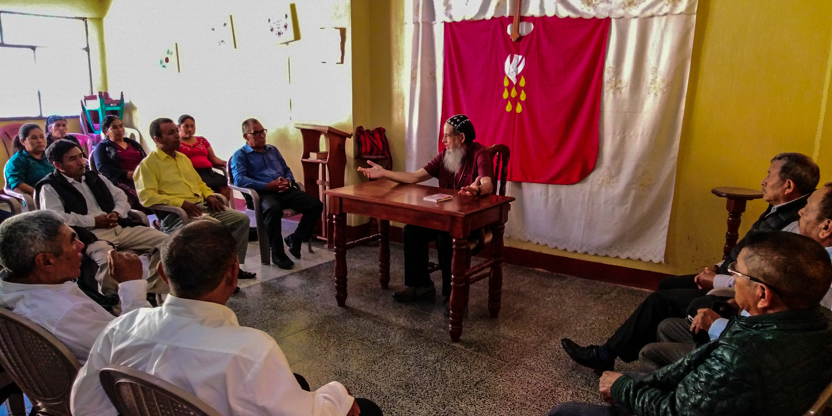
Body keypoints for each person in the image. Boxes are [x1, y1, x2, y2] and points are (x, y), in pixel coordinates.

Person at [70, 221, 383, 416]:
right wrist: (337, 394)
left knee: (296, 382)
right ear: (233, 275)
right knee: (364, 409)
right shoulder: (249, 350)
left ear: (163, 273)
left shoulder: (121, 327)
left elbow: (83, 406)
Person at [561, 152, 820, 372]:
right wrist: (717, 267)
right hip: (731, 276)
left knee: (659, 301)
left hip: (737, 291)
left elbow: (760, 278)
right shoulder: (778, 210)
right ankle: (659, 346)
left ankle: (607, 355)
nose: (763, 180)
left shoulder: (793, 226)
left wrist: (716, 280)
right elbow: (743, 250)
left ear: (788, 186)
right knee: (667, 285)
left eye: (769, 175)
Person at [549, 231, 832, 416]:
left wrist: (622, 388)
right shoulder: (823, 322)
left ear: (762, 295)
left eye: (738, 274)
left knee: (564, 412)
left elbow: (675, 411)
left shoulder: (740, 358)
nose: (733, 279)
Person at [638, 182, 832, 373]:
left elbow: (771, 342)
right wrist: (737, 303)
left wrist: (717, 324)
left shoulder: (817, 272)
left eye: (807, 209)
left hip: (743, 351)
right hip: (743, 331)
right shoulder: (811, 254)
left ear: (826, 227)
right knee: (667, 326)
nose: (800, 212)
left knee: (650, 352)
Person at [357, 114, 494, 307]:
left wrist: (477, 190)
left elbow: (488, 184)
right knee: (411, 232)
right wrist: (384, 173)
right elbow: (414, 177)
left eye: (447, 136)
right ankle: (421, 286)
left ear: (461, 137)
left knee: (445, 238)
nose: (443, 140)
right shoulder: (445, 156)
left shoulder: (480, 154)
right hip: (445, 219)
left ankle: (452, 294)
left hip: (471, 222)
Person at [0, 211, 150, 363]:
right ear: (46, 261)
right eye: (72, 242)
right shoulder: (64, 313)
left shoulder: (10, 283)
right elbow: (139, 348)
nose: (81, 245)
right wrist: (131, 284)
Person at [37, 139, 169, 300]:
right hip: (89, 235)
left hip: (117, 226)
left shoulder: (94, 177)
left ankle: (152, 291)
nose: (81, 162)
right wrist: (94, 221)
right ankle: (115, 302)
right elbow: (57, 218)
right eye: (73, 159)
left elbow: (120, 197)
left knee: (167, 243)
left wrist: (116, 213)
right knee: (109, 260)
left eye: (81, 156)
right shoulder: (50, 187)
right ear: (58, 165)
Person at [134, 117, 255, 280]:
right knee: (215, 228)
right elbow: (147, 197)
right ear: (158, 139)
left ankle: (232, 268)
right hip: (176, 214)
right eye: (171, 133)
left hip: (200, 206)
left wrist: (209, 195)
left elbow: (199, 182)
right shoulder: (148, 165)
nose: (177, 136)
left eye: (176, 131)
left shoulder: (183, 158)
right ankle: (215, 277)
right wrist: (181, 203)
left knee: (241, 220)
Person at [230, 118, 323, 269]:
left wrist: (288, 181)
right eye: (257, 133)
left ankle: (296, 238)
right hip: (263, 194)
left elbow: (286, 169)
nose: (262, 135)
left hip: (284, 190)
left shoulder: (272, 150)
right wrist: (268, 185)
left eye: (263, 131)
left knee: (315, 205)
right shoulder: (240, 156)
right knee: (273, 209)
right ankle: (277, 253)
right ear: (246, 136)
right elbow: (240, 180)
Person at [92, 115, 151, 214]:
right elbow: (102, 167)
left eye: (121, 126)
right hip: (120, 180)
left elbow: (145, 160)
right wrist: (126, 174)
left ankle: (163, 219)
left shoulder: (133, 144)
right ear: (106, 131)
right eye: (114, 127)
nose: (120, 130)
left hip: (141, 177)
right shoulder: (102, 147)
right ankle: (140, 219)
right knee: (138, 195)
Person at [177, 114, 233, 202]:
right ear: (178, 127)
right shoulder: (176, 143)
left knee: (225, 182)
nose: (190, 129)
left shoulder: (202, 140)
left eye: (192, 126)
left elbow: (213, 158)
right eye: (186, 126)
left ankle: (222, 207)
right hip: (192, 174)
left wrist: (227, 163)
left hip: (208, 172)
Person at [4, 123, 53, 197]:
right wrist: (40, 195)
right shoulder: (16, 161)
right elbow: (17, 184)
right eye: (34, 138)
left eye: (42, 137)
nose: (40, 141)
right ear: (23, 141)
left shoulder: (51, 155)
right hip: (39, 198)